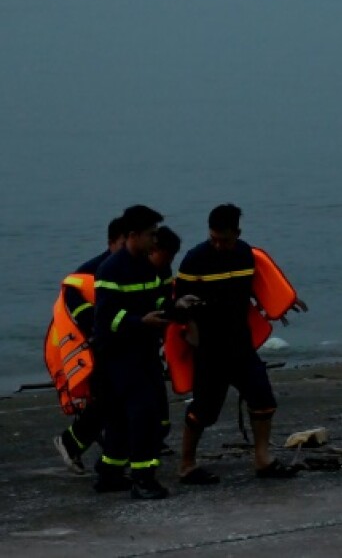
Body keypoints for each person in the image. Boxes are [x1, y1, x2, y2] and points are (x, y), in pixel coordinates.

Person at [174, 204, 305, 484]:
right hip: (209, 348)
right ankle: (186, 465)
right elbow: (178, 304)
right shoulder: (195, 259)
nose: (219, 245)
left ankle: (263, 460)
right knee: (203, 411)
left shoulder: (245, 254)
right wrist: (186, 317)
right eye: (214, 239)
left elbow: (257, 290)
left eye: (225, 239)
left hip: (240, 344)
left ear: (237, 233)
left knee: (263, 400)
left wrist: (282, 304)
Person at [91, 205, 179, 500]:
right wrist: (139, 322)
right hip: (118, 355)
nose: (156, 241)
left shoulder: (149, 268)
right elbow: (106, 319)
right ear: (132, 235)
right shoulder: (111, 270)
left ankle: (109, 473)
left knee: (118, 417)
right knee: (145, 414)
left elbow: (158, 303)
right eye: (151, 235)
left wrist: (177, 308)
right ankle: (143, 478)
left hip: (144, 351)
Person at [52, 216, 125, 474]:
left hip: (121, 344)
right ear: (111, 242)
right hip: (96, 346)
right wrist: (95, 328)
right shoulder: (89, 272)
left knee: (115, 399)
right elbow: (73, 300)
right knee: (107, 399)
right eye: (123, 242)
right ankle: (71, 443)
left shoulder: (134, 266)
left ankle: (106, 443)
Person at [149, 226, 183, 455]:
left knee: (157, 391)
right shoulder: (130, 268)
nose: (169, 261)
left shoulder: (163, 269)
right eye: (167, 255)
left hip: (152, 338)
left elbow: (163, 299)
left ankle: (157, 437)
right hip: (132, 339)